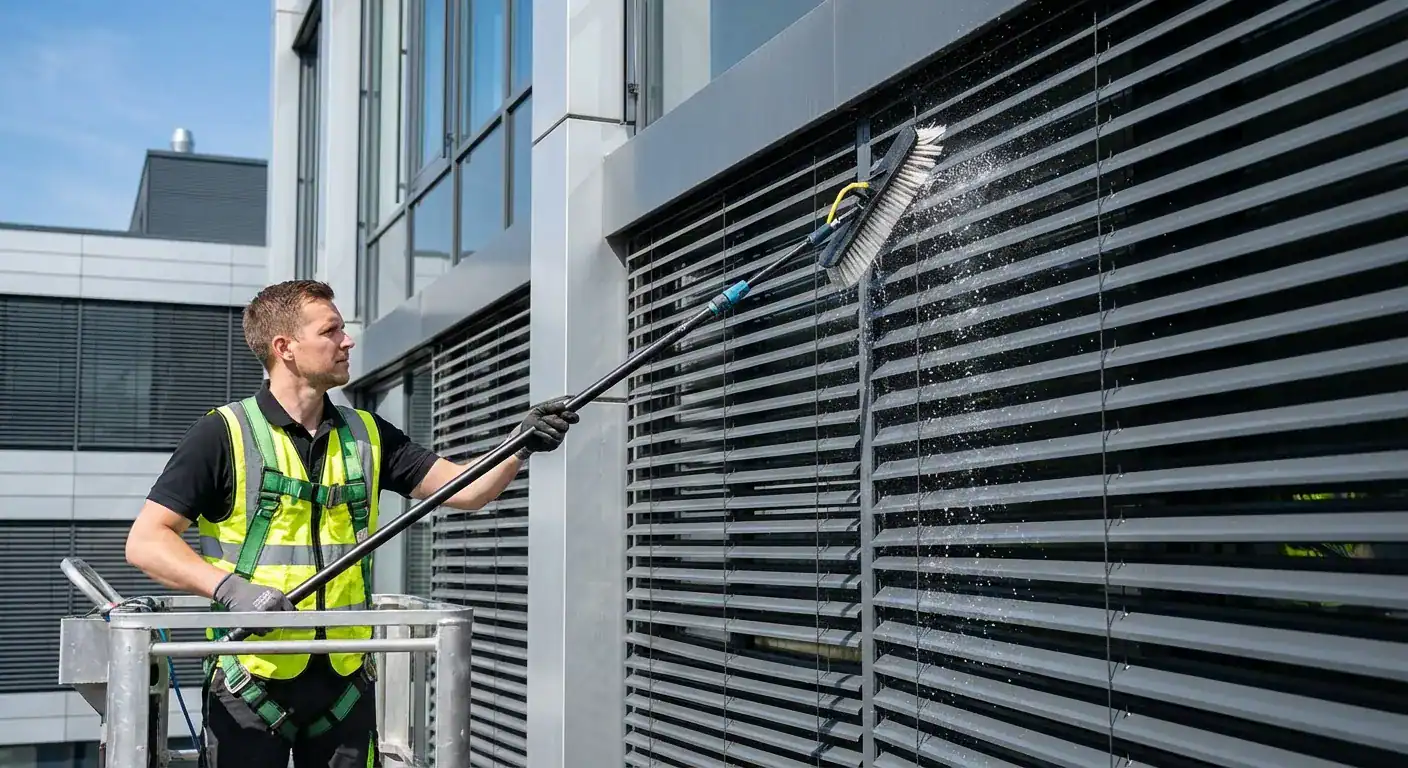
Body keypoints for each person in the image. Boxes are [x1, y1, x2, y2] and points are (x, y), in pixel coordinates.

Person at [124, 279, 578, 767]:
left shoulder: (367, 434)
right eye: (332, 330)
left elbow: (466, 490)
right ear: (286, 348)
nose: (348, 341)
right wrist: (229, 588)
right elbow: (147, 541)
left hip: (346, 684)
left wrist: (519, 444)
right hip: (248, 683)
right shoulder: (223, 434)